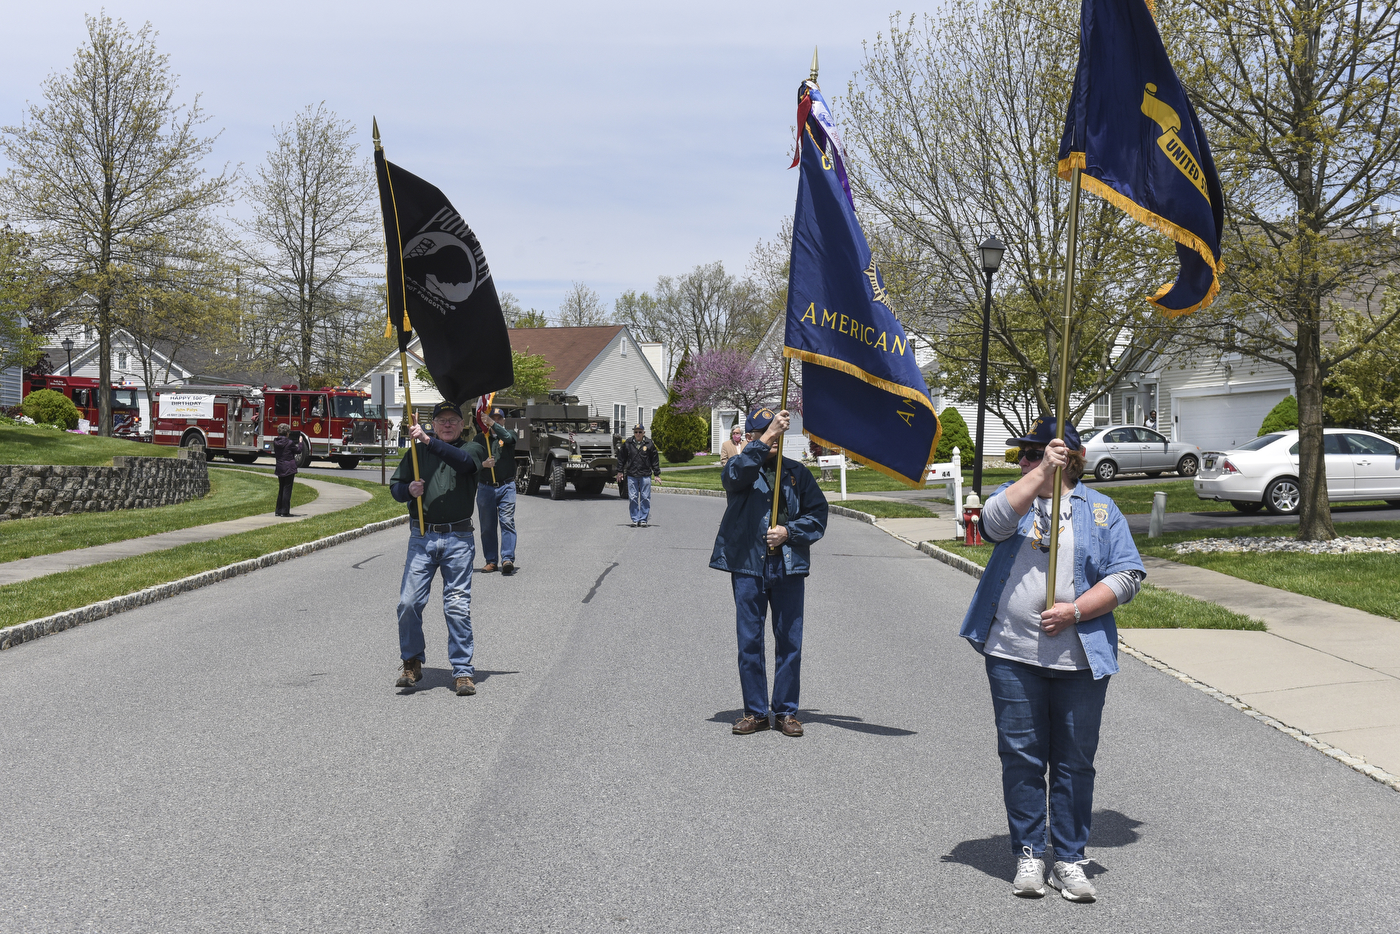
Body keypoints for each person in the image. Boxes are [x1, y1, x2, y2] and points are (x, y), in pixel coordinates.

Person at [958, 416, 1145, 902]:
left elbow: (1128, 574)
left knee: (1074, 762)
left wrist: (1076, 610)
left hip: (1080, 659)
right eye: (1025, 455)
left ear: (1072, 458)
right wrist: (1040, 475)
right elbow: (993, 524)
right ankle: (1028, 852)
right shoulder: (1015, 497)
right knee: (1021, 757)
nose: (1023, 460)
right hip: (1012, 654)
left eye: (1033, 453)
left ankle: (1069, 857)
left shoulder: (1101, 509)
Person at [710, 406, 828, 737]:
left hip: (787, 567)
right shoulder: (739, 467)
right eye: (764, 436)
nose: (773, 444)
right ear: (749, 438)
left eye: (777, 438)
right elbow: (736, 475)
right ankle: (756, 711)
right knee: (749, 640)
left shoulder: (796, 473)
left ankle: (786, 712)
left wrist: (790, 532)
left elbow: (818, 514)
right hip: (748, 566)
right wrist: (767, 437)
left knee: (790, 640)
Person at [390, 401, 493, 697]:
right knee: (408, 603)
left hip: (459, 539)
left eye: (452, 420)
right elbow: (396, 487)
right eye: (441, 420)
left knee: (457, 606)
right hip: (422, 537)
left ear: (462, 425)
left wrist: (427, 440)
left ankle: (462, 671)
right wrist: (408, 490)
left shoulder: (472, 449)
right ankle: (411, 661)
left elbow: (462, 463)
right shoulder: (416, 452)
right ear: (433, 424)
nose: (447, 424)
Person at [475, 407, 518, 575]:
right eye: (493, 418)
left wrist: (493, 424)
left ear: (504, 420)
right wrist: (483, 465)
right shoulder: (480, 438)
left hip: (506, 486)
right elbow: (471, 461)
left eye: (499, 418)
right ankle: (491, 561)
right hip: (486, 487)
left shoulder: (509, 435)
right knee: (487, 526)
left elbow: (507, 438)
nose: (496, 421)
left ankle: (507, 559)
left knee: (507, 521)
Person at [616, 423, 660, 527]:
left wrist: (657, 474)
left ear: (644, 433)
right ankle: (635, 519)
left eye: (640, 432)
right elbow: (621, 458)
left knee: (645, 497)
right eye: (636, 432)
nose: (638, 434)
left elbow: (655, 460)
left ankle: (643, 519)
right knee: (633, 497)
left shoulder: (649, 443)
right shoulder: (628, 443)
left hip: (645, 474)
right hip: (632, 474)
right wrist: (620, 471)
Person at [271, 424, 302, 517]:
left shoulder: (275, 442)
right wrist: (300, 442)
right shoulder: (289, 442)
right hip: (289, 467)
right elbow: (298, 450)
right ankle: (285, 511)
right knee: (287, 489)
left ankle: (278, 510)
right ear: (287, 433)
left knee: (281, 488)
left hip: (280, 466)